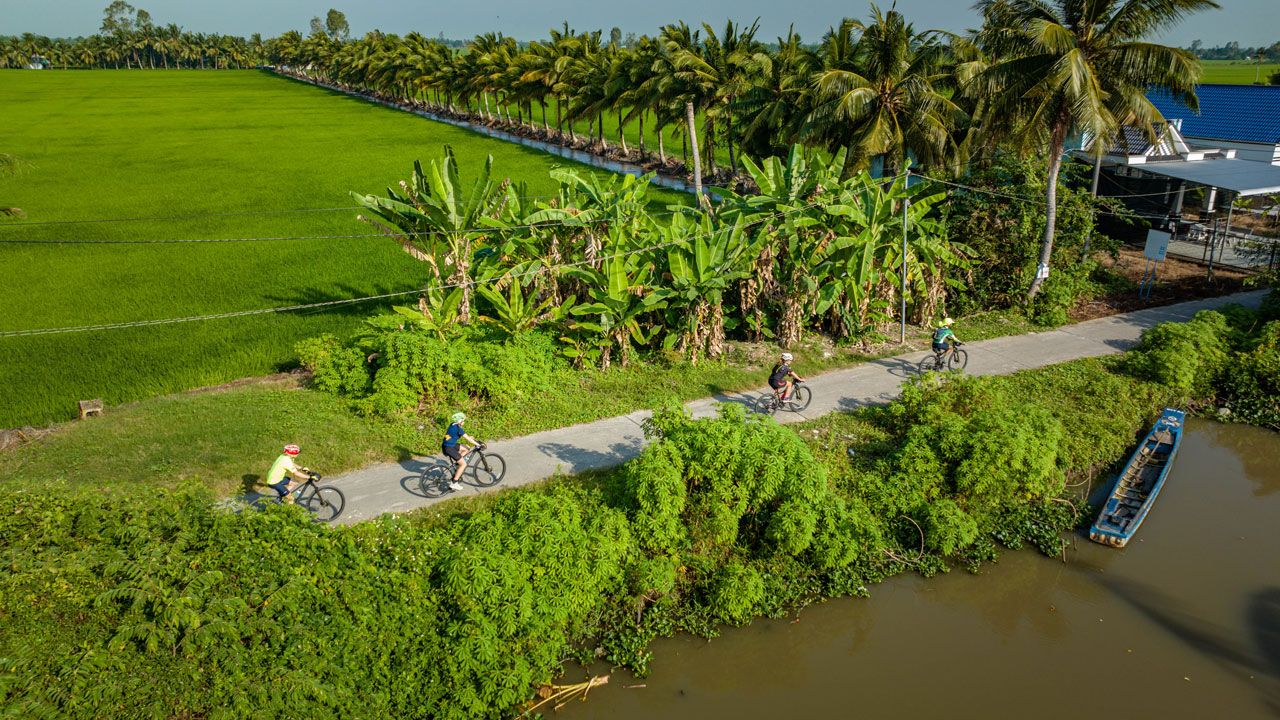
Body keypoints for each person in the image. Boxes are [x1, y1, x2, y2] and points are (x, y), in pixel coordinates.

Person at [442, 412, 482, 490]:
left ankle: (457, 465)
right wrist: (478, 444)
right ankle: (454, 483)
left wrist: (469, 437)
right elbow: (467, 439)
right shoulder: (458, 429)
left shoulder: (452, 425)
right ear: (459, 421)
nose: (464, 422)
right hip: (449, 448)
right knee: (463, 464)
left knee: (466, 448)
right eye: (463, 420)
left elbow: (456, 435)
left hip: (447, 445)